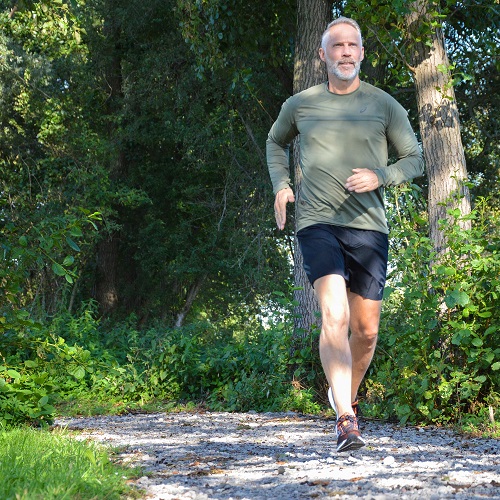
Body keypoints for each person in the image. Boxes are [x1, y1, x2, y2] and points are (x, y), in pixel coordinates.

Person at [266, 17, 424, 452]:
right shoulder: (300, 104)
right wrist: (282, 184)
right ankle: (345, 420)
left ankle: (345, 400)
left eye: (353, 44)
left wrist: (381, 175)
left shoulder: (384, 105)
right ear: (323, 55)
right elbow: (275, 142)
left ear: (361, 53)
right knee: (333, 315)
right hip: (316, 221)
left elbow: (415, 158)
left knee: (367, 331)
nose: (346, 52)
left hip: (369, 226)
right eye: (337, 46)